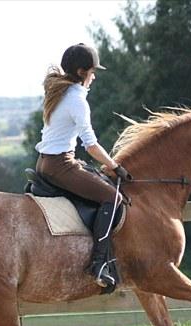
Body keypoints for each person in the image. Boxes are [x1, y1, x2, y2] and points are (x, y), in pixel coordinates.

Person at [35, 43, 131, 288]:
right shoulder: (77, 99)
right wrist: (115, 166)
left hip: (46, 162)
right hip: (61, 166)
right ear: (81, 72)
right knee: (114, 198)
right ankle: (99, 263)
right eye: (92, 71)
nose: (94, 76)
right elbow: (91, 145)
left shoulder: (61, 93)